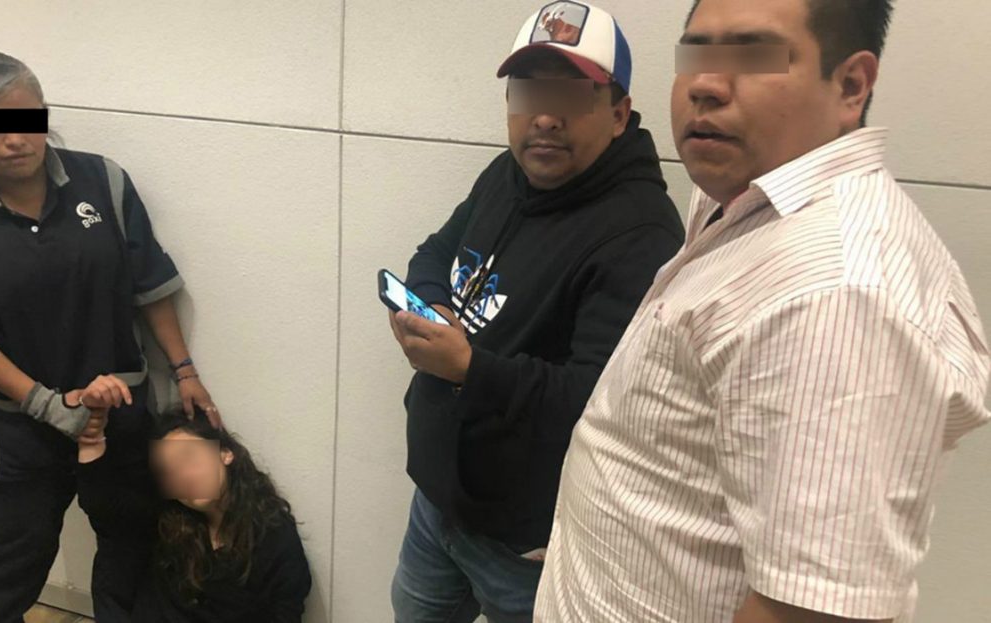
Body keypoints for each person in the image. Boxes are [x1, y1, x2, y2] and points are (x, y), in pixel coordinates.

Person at [537, 1, 991, 622]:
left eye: (753, 56)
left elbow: (813, 610)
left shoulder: (834, 293)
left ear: (850, 86)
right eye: (696, 52)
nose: (705, 84)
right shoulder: (742, 195)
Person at [386, 2, 684, 621]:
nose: (544, 117)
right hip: (439, 499)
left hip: (524, 545)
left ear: (619, 113)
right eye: (528, 94)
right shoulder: (508, 172)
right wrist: (434, 303)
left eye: (571, 97)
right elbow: (436, 251)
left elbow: (597, 400)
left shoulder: (641, 234)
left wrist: (469, 368)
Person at [0, 51, 222, 622]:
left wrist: (185, 371)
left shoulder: (102, 180)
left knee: (131, 547)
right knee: (14, 565)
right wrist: (49, 406)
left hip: (121, 409)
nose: (17, 139)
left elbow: (148, 285)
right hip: (17, 430)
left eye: (28, 119)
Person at [76, 408, 312, 622]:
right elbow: (103, 508)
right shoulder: (167, 519)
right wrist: (90, 441)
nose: (184, 476)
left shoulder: (272, 532)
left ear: (225, 453)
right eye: (170, 471)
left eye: (189, 457)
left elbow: (285, 611)